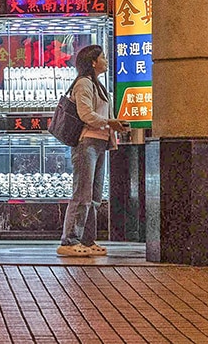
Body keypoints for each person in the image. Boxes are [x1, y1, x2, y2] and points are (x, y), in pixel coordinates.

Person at [57, 44, 125, 258]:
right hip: (86, 143)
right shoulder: (84, 84)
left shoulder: (98, 85)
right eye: (103, 57)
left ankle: (87, 239)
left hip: (99, 143)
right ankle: (69, 240)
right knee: (82, 194)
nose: (106, 60)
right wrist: (109, 123)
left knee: (94, 195)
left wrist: (111, 126)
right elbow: (86, 114)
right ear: (93, 62)